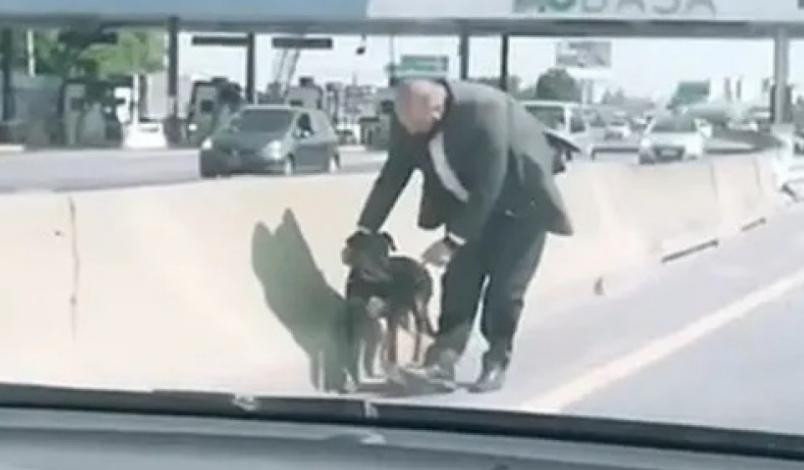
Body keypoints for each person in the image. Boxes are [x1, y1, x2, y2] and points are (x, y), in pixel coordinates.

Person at [350, 79, 573, 393]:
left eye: (419, 126)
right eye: (407, 125)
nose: (412, 133)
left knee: (504, 293)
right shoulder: (410, 119)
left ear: (438, 110)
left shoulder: (485, 113)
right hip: (467, 207)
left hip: (522, 207)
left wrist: (452, 241)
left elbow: (489, 185)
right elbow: (393, 175)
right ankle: (441, 360)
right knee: (458, 285)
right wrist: (365, 230)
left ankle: (496, 361)